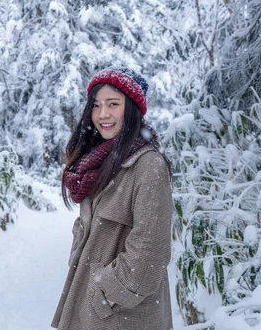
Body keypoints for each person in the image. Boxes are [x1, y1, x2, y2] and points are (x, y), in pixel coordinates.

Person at [51, 67, 173, 330]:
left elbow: (151, 250)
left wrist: (102, 291)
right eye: (96, 105)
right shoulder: (103, 161)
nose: (102, 114)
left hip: (122, 316)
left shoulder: (148, 165)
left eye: (113, 104)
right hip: (94, 309)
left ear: (132, 110)